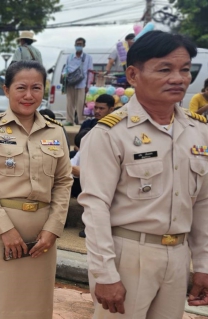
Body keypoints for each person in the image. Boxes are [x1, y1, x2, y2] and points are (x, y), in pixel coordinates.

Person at [79, 30, 208, 318]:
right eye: (165, 69)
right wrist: (105, 272)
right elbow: (95, 206)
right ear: (134, 75)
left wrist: (202, 265)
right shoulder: (111, 133)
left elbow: (203, 203)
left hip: (178, 255)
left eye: (184, 70)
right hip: (128, 255)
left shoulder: (199, 131)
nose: (178, 78)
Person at [0, 60, 72, 318]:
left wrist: (53, 228)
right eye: (21, 88)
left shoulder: (56, 131)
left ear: (44, 91)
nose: (29, 95)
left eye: (36, 88)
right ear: (6, 89)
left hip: (42, 237)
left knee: (35, 307)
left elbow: (63, 181)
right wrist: (6, 230)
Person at [63, 37, 93, 125]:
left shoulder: (87, 57)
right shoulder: (70, 57)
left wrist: (88, 86)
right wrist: (64, 75)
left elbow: (90, 72)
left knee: (81, 104)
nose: (78, 46)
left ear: (84, 45)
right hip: (70, 83)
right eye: (77, 44)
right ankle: (69, 120)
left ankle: (81, 121)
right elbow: (66, 68)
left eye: (80, 44)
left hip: (81, 84)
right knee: (69, 103)